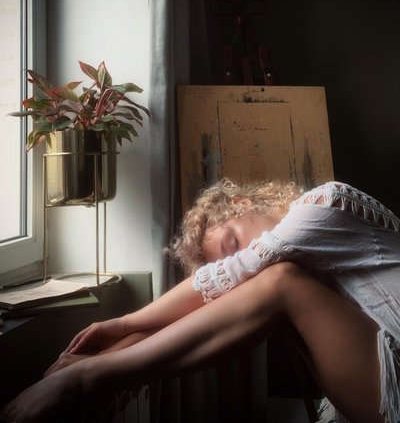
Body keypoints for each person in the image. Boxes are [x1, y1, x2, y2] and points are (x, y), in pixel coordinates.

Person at [2, 179, 400, 423]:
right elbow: (223, 292)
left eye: (232, 243)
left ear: (242, 205)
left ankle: (88, 379)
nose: (238, 261)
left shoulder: (324, 203)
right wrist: (103, 354)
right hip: (376, 371)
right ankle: (92, 375)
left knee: (278, 280)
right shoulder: (298, 265)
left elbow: (242, 270)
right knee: (270, 281)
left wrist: (122, 324)